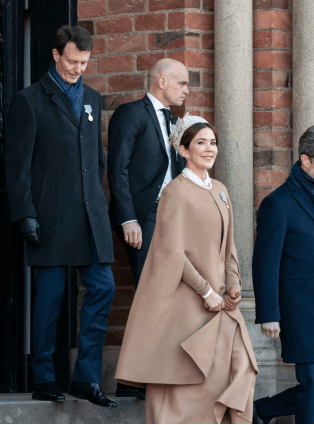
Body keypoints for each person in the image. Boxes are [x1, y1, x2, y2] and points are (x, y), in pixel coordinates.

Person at [115, 116, 258, 424]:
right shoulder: (175, 192)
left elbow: (229, 246)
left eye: (213, 142)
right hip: (187, 303)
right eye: (201, 143)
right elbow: (171, 251)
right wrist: (205, 291)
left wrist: (232, 284)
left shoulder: (220, 189)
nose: (210, 149)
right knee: (184, 385)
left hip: (221, 306)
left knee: (239, 367)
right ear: (183, 150)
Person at [5, 25, 116, 408]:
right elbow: (17, 166)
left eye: (84, 62)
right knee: (49, 302)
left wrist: (101, 206)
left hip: (89, 217)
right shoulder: (30, 100)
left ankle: (86, 379)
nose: (78, 68)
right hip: (49, 218)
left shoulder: (93, 98)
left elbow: (96, 160)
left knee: (103, 288)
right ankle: (44, 378)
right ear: (56, 55)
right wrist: (25, 214)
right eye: (72, 61)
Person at [252, 125, 314, 424]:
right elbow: (265, 264)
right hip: (301, 311)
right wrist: (269, 313)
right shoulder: (278, 204)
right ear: (305, 161)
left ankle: (264, 409)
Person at [107, 58, 190, 400]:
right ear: (161, 82)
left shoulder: (175, 120)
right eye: (182, 83)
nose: (186, 90)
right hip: (145, 216)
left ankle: (143, 377)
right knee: (151, 297)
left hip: (172, 217)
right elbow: (118, 169)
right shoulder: (131, 114)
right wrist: (128, 218)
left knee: (166, 297)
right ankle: (130, 381)